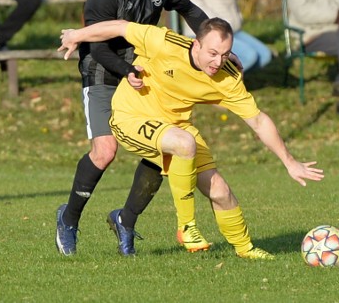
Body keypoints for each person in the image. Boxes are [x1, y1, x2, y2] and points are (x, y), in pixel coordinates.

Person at [58, 17, 324, 259]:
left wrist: (289, 161)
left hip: (175, 126)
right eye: (212, 53)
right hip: (131, 116)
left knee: (220, 190)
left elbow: (258, 120)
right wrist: (77, 34)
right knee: (184, 143)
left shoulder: (226, 77)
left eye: (225, 53)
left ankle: (245, 249)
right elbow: (119, 26)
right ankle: (186, 227)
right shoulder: (165, 43)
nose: (218, 61)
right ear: (196, 44)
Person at [55, 0, 209, 257]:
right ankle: (69, 217)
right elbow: (97, 46)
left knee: (165, 146)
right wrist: (126, 70)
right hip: (104, 72)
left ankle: (126, 219)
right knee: (105, 151)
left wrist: (213, 43)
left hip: (141, 70)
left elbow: (187, 8)